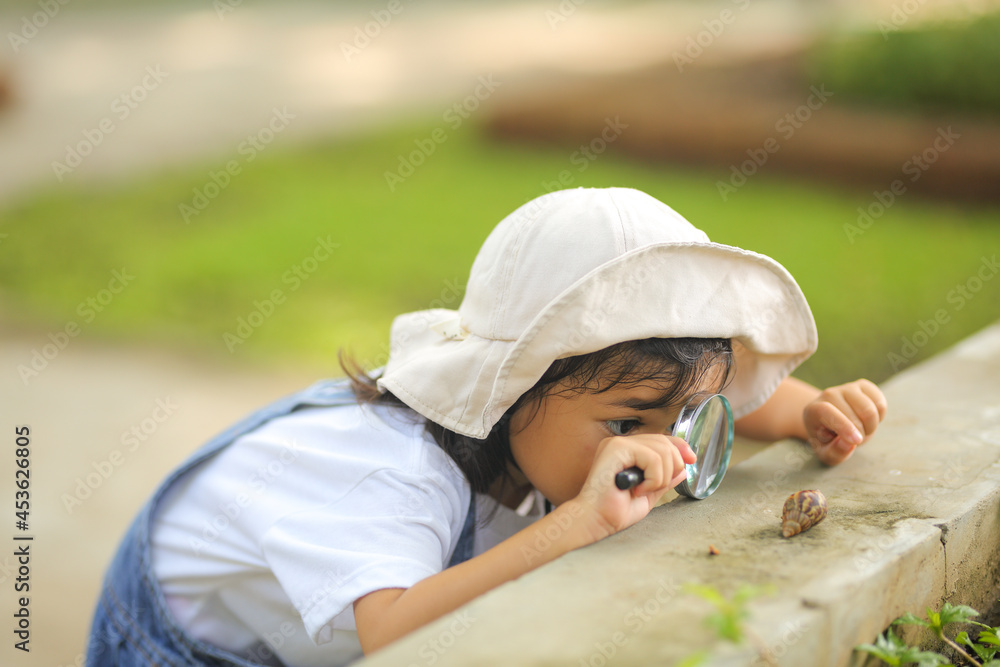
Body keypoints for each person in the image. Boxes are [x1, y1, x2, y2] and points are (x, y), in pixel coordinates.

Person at [86, 187, 887, 666]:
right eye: (626, 421)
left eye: (687, 415)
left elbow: (725, 405)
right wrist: (570, 525)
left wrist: (807, 412)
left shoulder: (534, 434)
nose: (666, 448)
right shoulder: (398, 476)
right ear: (510, 389)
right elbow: (393, 631)